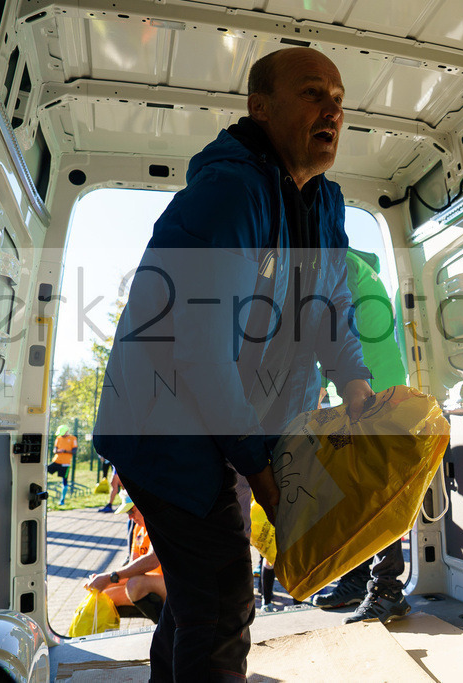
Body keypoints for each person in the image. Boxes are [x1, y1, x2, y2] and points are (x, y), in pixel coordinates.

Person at [93, 47, 374, 680]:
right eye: (312, 93)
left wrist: (356, 385)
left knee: (200, 599)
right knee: (221, 602)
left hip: (233, 428)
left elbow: (333, 303)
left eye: (338, 98)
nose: (332, 108)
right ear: (260, 107)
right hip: (164, 425)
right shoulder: (231, 193)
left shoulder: (325, 206)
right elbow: (200, 353)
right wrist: (264, 474)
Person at [310, 248, 411, 624]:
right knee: (356, 490)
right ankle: (356, 578)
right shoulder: (357, 265)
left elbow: (323, 330)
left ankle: (387, 591)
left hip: (369, 393)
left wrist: (316, 388)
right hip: (376, 388)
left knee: (372, 493)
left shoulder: (334, 265)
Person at [84, 495, 167, 623]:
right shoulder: (139, 528)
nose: (130, 517)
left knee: (135, 585)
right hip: (157, 584)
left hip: (178, 586)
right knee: (103, 596)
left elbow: (152, 560)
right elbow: (133, 568)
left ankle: (167, 628)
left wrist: (108, 578)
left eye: (131, 511)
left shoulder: (159, 522)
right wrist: (102, 580)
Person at [48, 424, 77, 505]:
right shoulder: (58, 438)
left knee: (64, 481)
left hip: (66, 464)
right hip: (56, 461)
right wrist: (57, 451)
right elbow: (55, 449)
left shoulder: (73, 438)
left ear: (67, 432)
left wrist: (65, 451)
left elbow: (74, 451)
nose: (61, 435)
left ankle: (62, 500)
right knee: (44, 470)